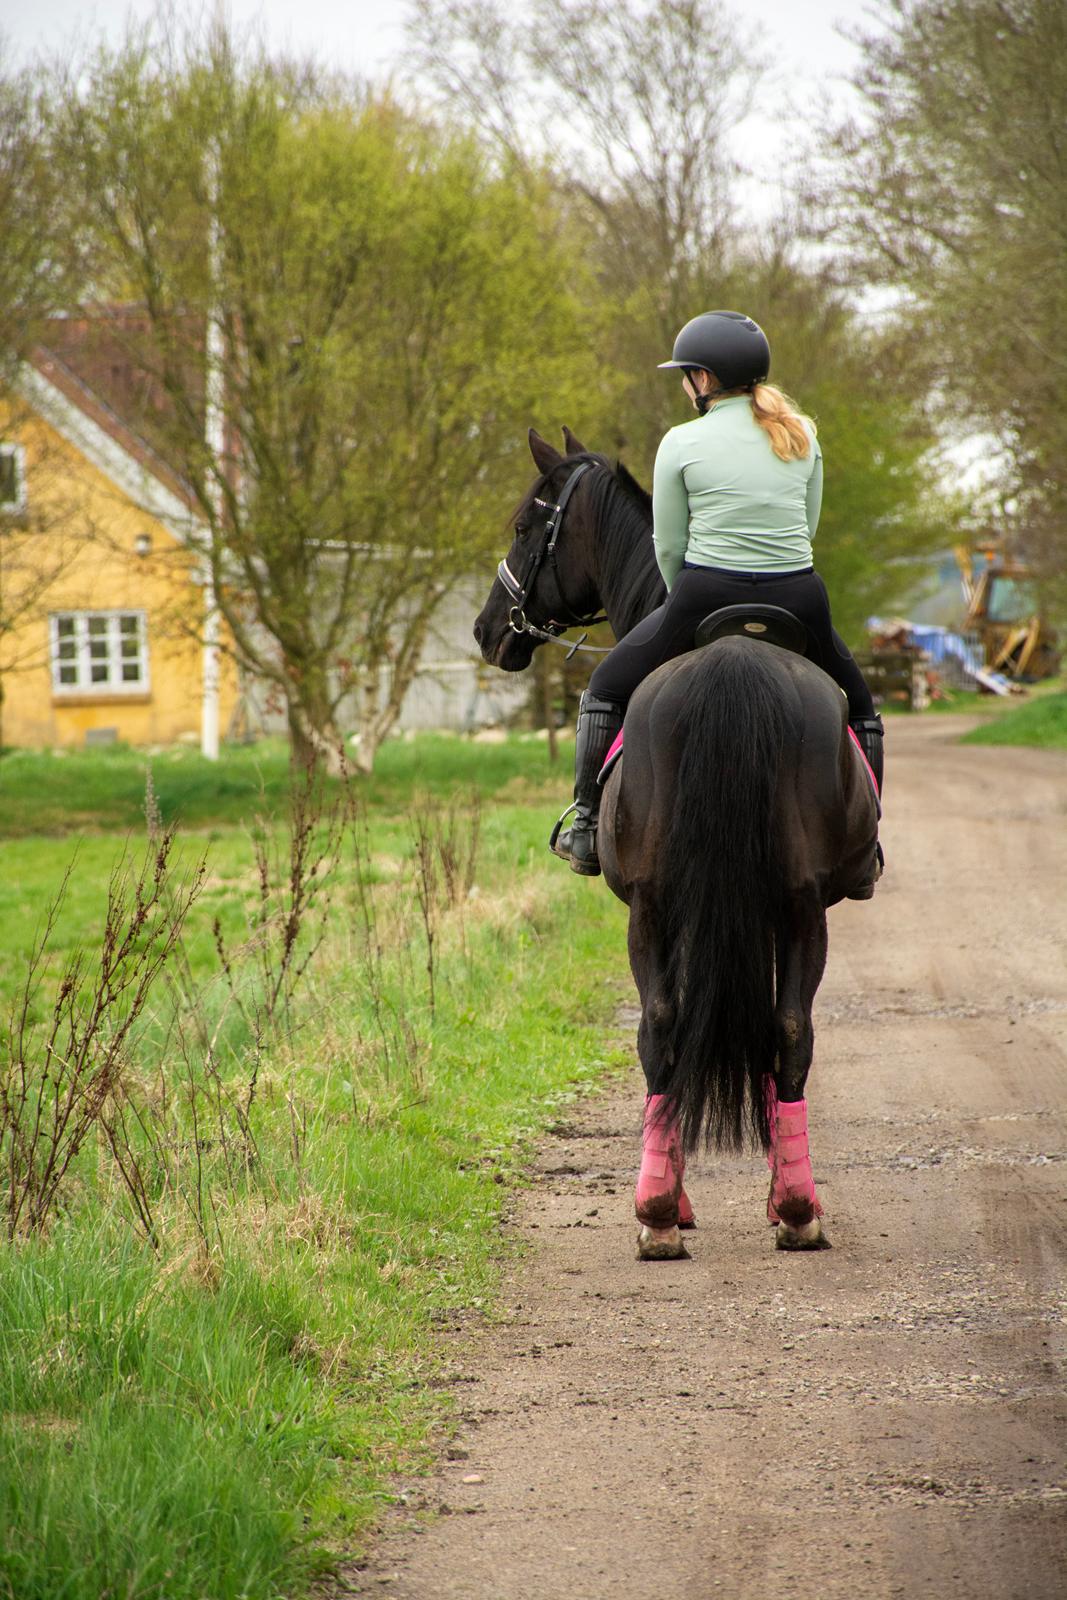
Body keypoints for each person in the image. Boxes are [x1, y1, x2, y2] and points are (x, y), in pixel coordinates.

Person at [551, 309, 884, 880]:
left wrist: (682, 603)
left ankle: (583, 823)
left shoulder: (681, 441)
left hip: (705, 592)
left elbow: (670, 546)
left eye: (685, 374)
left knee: (605, 687)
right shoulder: (802, 434)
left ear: (703, 379)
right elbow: (807, 527)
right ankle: (866, 846)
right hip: (800, 596)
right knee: (861, 706)